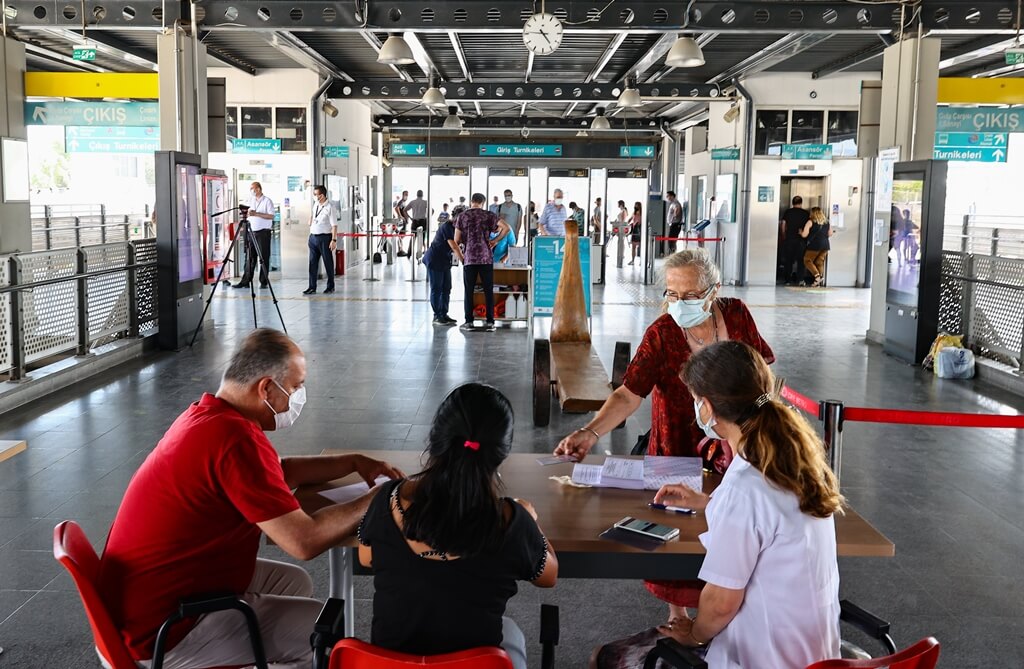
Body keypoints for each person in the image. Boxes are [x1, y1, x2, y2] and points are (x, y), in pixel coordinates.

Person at [98, 329, 403, 669]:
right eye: (297, 386)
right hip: (163, 631)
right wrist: (381, 497)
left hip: (144, 600)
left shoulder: (210, 416)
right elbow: (304, 541)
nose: (299, 396)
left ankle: (264, 656)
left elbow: (280, 472)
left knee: (294, 582)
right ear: (266, 388)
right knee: (322, 629)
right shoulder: (233, 439)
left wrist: (352, 461)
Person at [554, 249, 773, 618]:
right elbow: (629, 393)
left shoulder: (736, 314)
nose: (679, 302)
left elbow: (761, 368)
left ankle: (731, 609)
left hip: (739, 440)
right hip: (678, 444)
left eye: (689, 295)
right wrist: (591, 432)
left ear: (713, 290)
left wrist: (765, 419)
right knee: (680, 531)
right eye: (672, 294)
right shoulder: (662, 332)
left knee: (738, 523)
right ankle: (680, 619)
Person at [595, 341, 842, 669]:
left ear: (708, 408)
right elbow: (767, 518)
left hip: (762, 658)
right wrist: (711, 502)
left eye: (697, 400)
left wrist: (694, 635)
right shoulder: (793, 461)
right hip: (817, 655)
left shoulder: (743, 488)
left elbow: (722, 604)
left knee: (606, 658)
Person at [358, 384, 558, 669]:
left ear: (436, 438)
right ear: (501, 453)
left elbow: (366, 558)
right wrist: (530, 521)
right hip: (477, 663)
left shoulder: (387, 500)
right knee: (511, 633)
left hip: (393, 665)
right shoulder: (510, 522)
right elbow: (548, 575)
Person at [453, 193, 510, 332]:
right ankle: (490, 322)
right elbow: (506, 228)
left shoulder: (463, 216)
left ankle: (469, 322)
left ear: (472, 201)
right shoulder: (488, 215)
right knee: (488, 290)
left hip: (470, 259)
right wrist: (495, 241)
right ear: (483, 203)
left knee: (469, 291)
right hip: (486, 258)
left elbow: (456, 239)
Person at [233, 182, 275, 289]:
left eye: (253, 188)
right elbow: (246, 213)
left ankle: (264, 281)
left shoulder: (267, 201)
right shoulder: (250, 200)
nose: (252, 190)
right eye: (251, 188)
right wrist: (247, 214)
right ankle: (245, 281)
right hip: (251, 232)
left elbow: (271, 216)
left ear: (259, 189)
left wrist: (256, 214)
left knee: (264, 257)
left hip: (263, 233)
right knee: (249, 257)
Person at [423, 210, 459, 326]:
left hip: (445, 260)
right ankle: (437, 315)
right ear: (454, 217)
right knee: (437, 288)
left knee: (447, 287)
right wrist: (463, 258)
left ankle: (444, 313)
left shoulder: (459, 228)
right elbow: (453, 244)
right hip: (435, 259)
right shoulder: (447, 227)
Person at [303, 184, 337, 295]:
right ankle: (312, 287)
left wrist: (334, 240)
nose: (314, 196)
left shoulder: (330, 207)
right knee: (312, 263)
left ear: (322, 195)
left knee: (328, 263)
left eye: (316, 194)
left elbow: (334, 226)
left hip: (324, 238)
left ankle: (330, 286)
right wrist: (310, 220)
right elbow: (313, 215)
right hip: (313, 237)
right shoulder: (316, 204)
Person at [780, 196, 810, 285]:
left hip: (789, 239)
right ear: (801, 203)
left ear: (792, 203)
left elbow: (783, 224)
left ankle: (787, 280)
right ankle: (800, 280)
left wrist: (784, 235)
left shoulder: (788, 212)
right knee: (801, 261)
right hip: (801, 240)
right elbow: (808, 226)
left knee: (788, 260)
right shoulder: (806, 213)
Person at [801, 206, 834, 287]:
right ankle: (818, 281)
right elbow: (830, 234)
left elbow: (804, 235)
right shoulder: (827, 222)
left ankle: (817, 276)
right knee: (819, 262)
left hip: (814, 245)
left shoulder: (810, 222)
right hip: (825, 245)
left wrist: (801, 232)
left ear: (812, 213)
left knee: (807, 260)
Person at [402, 190, 429, 258]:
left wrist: (410, 218)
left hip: (414, 221)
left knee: (413, 238)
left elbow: (404, 210)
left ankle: (409, 254)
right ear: (422, 195)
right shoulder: (425, 202)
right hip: (423, 221)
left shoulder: (412, 202)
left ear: (417, 195)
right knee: (422, 238)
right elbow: (432, 211)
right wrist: (427, 217)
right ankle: (423, 254)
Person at [628, 201, 643, 266]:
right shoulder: (634, 212)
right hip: (634, 230)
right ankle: (632, 260)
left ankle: (641, 261)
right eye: (635, 205)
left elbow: (641, 221)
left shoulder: (642, 213)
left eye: (637, 205)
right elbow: (630, 219)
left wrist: (638, 223)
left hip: (639, 230)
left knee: (641, 246)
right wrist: (628, 223)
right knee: (633, 246)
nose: (636, 206)